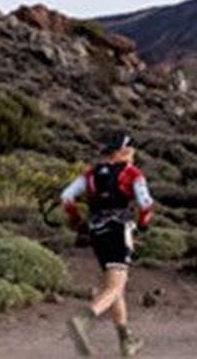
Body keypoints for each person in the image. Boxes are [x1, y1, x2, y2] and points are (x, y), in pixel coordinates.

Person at [60, 131, 154, 357]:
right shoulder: (132, 173)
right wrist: (143, 225)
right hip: (118, 229)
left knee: (116, 287)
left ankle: (126, 341)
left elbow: (66, 197)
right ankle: (82, 320)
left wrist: (77, 221)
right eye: (130, 149)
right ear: (121, 151)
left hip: (96, 231)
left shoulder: (90, 174)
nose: (133, 153)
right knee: (114, 288)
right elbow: (146, 204)